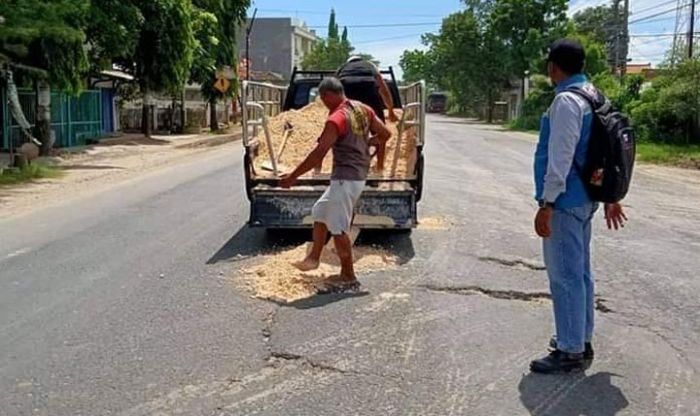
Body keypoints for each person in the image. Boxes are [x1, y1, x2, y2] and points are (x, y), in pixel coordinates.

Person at [530, 39, 628, 374]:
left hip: (566, 201)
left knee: (565, 276)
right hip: (587, 199)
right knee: (581, 274)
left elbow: (561, 156)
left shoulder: (567, 101)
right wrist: (611, 196)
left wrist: (547, 203)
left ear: (553, 67)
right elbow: (605, 151)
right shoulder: (595, 95)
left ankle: (570, 349)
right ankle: (580, 340)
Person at [279, 77, 392, 292]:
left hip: (345, 178)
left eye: (322, 99)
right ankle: (313, 258)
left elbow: (319, 153)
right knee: (320, 211)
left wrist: (293, 177)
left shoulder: (337, 118)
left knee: (339, 228)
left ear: (327, 95)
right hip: (356, 176)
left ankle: (348, 276)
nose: (323, 103)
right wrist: (367, 143)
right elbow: (386, 134)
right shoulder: (362, 109)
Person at [337, 56, 399, 123]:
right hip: (368, 90)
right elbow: (383, 87)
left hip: (348, 90)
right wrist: (391, 110)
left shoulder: (342, 68)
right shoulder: (370, 65)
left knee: (347, 123)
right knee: (378, 123)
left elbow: (334, 87)